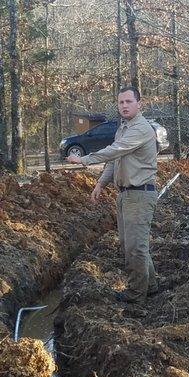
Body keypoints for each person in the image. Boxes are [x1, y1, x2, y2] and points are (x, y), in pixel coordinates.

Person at [66, 87, 158, 305]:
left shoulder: (141, 129)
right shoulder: (123, 128)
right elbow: (115, 159)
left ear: (139, 103)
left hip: (140, 195)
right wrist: (101, 183)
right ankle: (151, 287)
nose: (124, 106)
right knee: (132, 245)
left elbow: (115, 150)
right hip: (125, 195)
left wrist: (85, 160)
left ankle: (136, 295)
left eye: (128, 101)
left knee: (136, 247)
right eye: (120, 102)